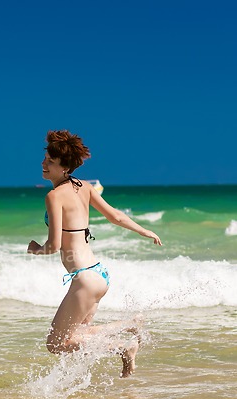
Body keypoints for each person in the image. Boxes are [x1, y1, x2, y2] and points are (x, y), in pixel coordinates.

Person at [27, 130, 162, 377]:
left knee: (56, 344)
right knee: (78, 335)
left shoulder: (54, 196)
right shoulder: (84, 186)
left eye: (50, 162)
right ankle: (130, 325)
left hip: (85, 280)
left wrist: (36, 249)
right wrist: (144, 230)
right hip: (99, 274)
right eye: (45, 158)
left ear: (64, 167)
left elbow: (54, 245)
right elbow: (116, 216)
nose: (43, 164)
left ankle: (123, 347)